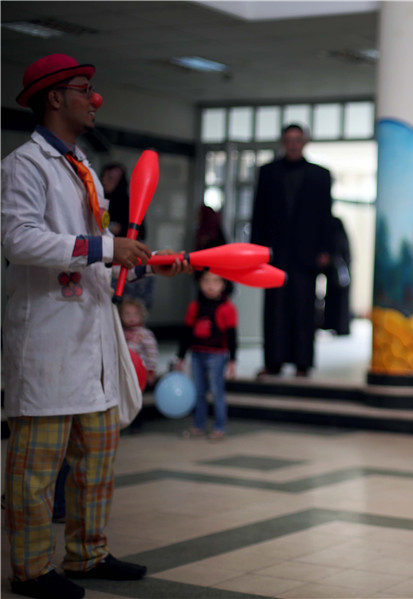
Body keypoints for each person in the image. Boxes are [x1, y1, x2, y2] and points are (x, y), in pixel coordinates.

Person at [1, 53, 188, 599]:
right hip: (49, 336)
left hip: (93, 334)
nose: (94, 98)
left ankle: (87, 554)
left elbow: (98, 255)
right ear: (55, 98)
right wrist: (107, 247)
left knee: (96, 459)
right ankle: (32, 569)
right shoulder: (24, 165)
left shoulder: (80, 164)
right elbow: (19, 240)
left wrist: (144, 259)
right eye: (84, 89)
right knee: (36, 470)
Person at [251, 123, 333, 378]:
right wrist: (256, 251)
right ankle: (272, 361)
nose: (294, 144)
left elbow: (326, 216)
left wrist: (325, 249)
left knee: (304, 308)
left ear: (305, 142)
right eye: (289, 139)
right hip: (274, 253)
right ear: (283, 142)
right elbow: (258, 214)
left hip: (307, 253)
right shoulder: (267, 172)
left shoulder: (321, 175)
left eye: (298, 139)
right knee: (274, 309)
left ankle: (302, 363)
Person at [176, 270, 238, 441]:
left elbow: (232, 336)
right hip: (196, 354)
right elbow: (186, 333)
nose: (210, 286)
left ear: (224, 285)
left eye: (216, 281)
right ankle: (199, 425)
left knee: (217, 392)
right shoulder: (194, 307)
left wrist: (232, 360)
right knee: (199, 392)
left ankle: (219, 427)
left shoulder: (227, 308)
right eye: (206, 281)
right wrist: (180, 357)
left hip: (217, 355)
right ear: (199, 283)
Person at [101, 161, 156, 309]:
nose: (104, 182)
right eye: (103, 177)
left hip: (127, 263)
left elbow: (142, 232)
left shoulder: (130, 203)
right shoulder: (97, 201)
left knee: (131, 311)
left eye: (110, 178)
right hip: (104, 262)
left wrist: (121, 229)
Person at [119, 297, 159, 388]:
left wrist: (151, 370)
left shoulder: (145, 334)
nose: (131, 318)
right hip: (124, 370)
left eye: (135, 314)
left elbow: (152, 353)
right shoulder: (121, 333)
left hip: (139, 370)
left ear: (141, 315)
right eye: (127, 314)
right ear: (121, 315)